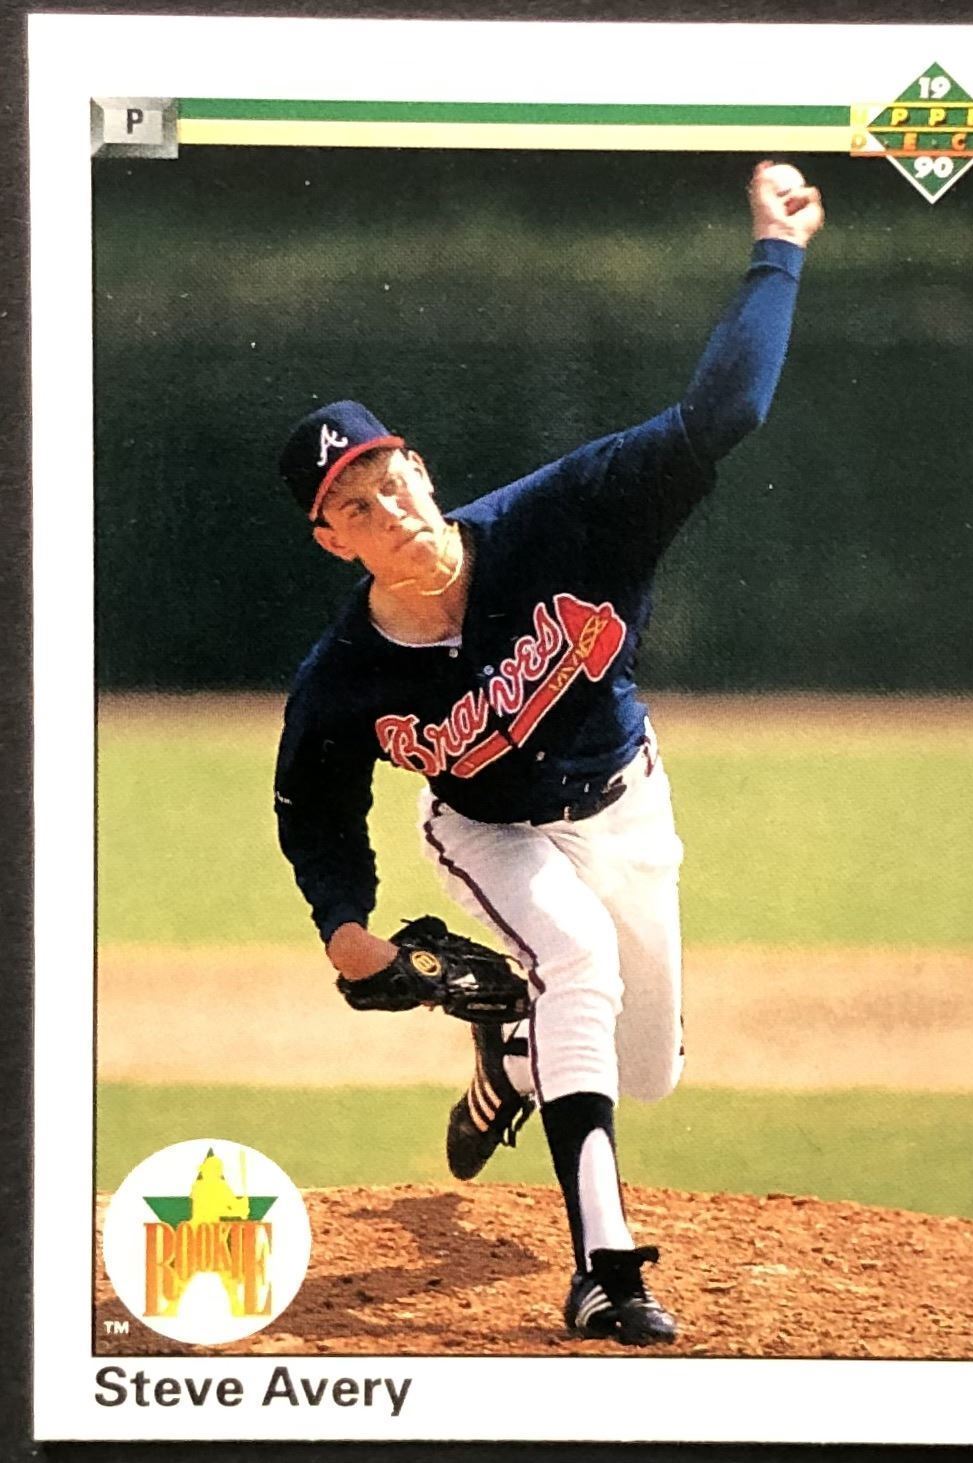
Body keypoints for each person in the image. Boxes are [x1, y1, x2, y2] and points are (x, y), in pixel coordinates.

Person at [274, 161, 824, 1346]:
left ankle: (508, 1056)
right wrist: (344, 923)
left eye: (390, 478)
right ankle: (605, 1270)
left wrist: (776, 253)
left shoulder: (565, 517)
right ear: (331, 541)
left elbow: (721, 414)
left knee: (647, 1067)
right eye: (354, 506)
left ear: (422, 470)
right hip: (490, 829)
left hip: (626, 803)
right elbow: (313, 802)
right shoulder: (346, 674)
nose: (388, 509)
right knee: (573, 956)